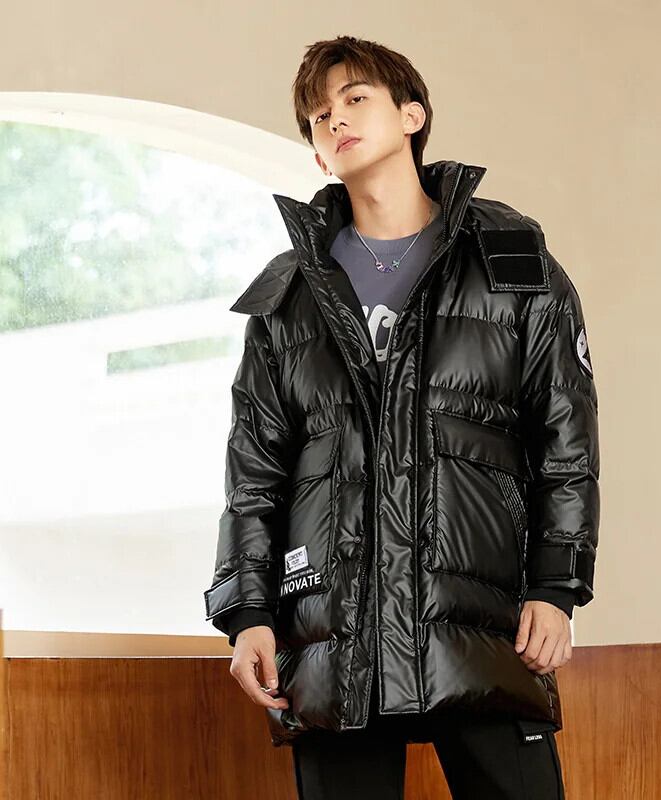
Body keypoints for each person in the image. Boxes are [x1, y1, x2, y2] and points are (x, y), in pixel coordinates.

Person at [204, 35, 600, 799]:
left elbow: (566, 438)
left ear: (412, 116)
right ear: (317, 155)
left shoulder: (511, 262)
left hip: (481, 621)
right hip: (335, 630)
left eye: (355, 99)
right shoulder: (287, 297)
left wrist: (556, 586)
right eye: (319, 116)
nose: (336, 119)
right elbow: (255, 471)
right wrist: (247, 610)